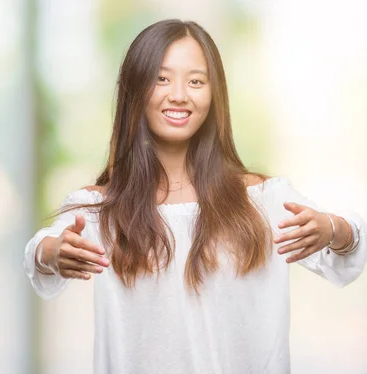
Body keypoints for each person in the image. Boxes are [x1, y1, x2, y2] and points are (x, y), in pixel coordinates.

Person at [23, 19, 366, 374]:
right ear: (135, 88)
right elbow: (41, 251)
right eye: (161, 78)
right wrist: (53, 252)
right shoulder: (100, 210)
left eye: (196, 81)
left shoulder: (263, 200)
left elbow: (349, 249)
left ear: (214, 94)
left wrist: (332, 229)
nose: (179, 94)